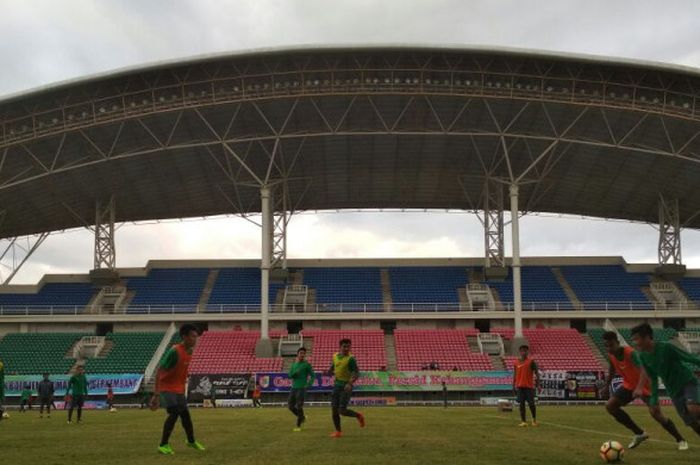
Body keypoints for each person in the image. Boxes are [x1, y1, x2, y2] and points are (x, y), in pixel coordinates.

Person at [601, 331, 687, 450]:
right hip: (629, 386)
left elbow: (644, 370)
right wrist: (606, 385)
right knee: (610, 406)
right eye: (606, 346)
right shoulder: (611, 355)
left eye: (611, 345)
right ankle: (639, 433)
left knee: (656, 414)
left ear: (618, 342)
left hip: (647, 386)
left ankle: (681, 440)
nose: (609, 348)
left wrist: (640, 388)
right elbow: (611, 369)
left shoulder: (631, 353)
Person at [631, 323, 700, 442]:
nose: (634, 343)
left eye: (636, 339)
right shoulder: (642, 356)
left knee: (693, 408)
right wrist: (654, 398)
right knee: (691, 422)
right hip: (673, 391)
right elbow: (653, 378)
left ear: (647, 337)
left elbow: (688, 357)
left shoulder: (666, 348)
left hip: (687, 382)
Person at [150, 323, 206, 455]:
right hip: (167, 387)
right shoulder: (174, 351)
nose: (195, 339)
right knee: (174, 412)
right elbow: (159, 371)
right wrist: (156, 394)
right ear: (184, 337)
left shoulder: (190, 351)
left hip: (179, 389)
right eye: (192, 336)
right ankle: (163, 445)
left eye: (196, 337)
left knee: (186, 415)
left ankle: (191, 441)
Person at [326, 338, 365, 438]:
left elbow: (356, 373)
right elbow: (332, 367)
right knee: (334, 410)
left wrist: (350, 383)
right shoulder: (335, 356)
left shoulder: (351, 359)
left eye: (348, 346)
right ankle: (338, 432)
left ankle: (358, 415)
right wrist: (329, 372)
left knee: (342, 411)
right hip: (336, 386)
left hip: (346, 387)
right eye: (344, 346)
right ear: (340, 347)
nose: (347, 348)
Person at [288, 347, 315, 431]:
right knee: (290, 406)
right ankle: (302, 417)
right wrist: (295, 374)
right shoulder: (294, 365)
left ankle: (298, 426)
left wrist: (308, 384)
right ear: (298, 354)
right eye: (301, 353)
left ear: (305, 355)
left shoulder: (306, 365)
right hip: (293, 388)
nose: (302, 355)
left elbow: (313, 375)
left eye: (304, 353)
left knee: (299, 406)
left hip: (302, 388)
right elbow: (290, 375)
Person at [513, 344, 539, 427]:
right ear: (520, 352)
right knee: (521, 404)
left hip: (529, 387)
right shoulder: (516, 362)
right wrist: (513, 385)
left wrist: (538, 384)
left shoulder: (531, 362)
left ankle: (534, 420)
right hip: (520, 386)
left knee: (531, 403)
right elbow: (515, 374)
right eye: (522, 351)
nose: (524, 352)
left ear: (527, 352)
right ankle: (523, 421)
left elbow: (537, 373)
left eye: (525, 351)